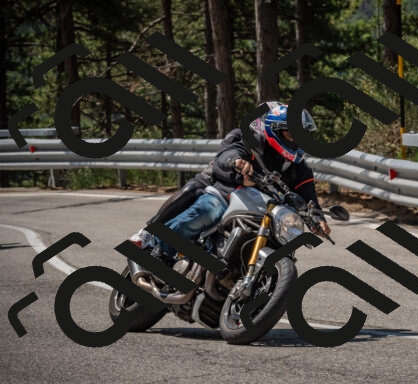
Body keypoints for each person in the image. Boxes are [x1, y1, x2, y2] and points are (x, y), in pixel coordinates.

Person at [135, 101, 331, 263]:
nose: (298, 140)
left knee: (283, 240)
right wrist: (237, 162)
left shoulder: (300, 167)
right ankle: (160, 250)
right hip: (228, 195)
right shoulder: (251, 141)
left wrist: (318, 218)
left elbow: (308, 195)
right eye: (292, 134)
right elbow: (228, 154)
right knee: (207, 211)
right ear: (276, 131)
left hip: (265, 213)